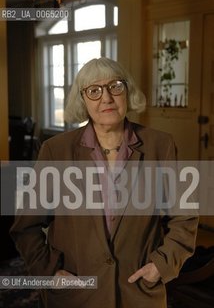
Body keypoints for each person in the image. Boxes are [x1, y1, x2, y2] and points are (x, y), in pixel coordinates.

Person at [10, 57, 198, 308]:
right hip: (76, 294)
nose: (106, 98)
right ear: (83, 100)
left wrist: (161, 265)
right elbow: (26, 226)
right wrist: (49, 273)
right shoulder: (55, 150)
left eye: (115, 86)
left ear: (128, 92)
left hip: (138, 293)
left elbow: (184, 217)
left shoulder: (160, 145)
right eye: (94, 91)